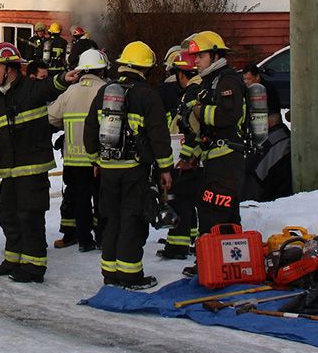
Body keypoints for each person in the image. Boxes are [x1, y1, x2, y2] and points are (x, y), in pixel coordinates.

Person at [0, 42, 79, 283]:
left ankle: (34, 267)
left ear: (9, 68)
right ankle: (13, 259)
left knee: (30, 217)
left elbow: (48, 87)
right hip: (9, 169)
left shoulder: (29, 88)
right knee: (8, 216)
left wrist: (63, 79)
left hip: (32, 168)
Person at [84, 41, 173, 290]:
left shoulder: (104, 93)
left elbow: (90, 129)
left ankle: (110, 274)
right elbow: (159, 136)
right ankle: (131, 275)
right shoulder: (148, 95)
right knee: (132, 220)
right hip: (135, 171)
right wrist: (166, 169)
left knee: (111, 220)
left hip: (108, 171)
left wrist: (96, 161)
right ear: (145, 68)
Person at [182, 30, 247, 279]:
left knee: (215, 208)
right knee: (222, 210)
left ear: (215, 55)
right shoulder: (211, 82)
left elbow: (228, 116)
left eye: (200, 56)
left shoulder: (227, 81)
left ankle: (214, 264)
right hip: (215, 156)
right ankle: (221, 264)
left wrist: (200, 110)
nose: (195, 61)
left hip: (227, 157)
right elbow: (206, 128)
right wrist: (191, 154)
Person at [48, 48, 109, 252]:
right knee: (102, 199)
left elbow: (52, 117)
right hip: (99, 159)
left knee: (80, 200)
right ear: (101, 70)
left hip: (73, 160)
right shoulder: (107, 90)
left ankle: (84, 241)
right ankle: (102, 237)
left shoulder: (69, 92)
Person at [158, 50, 202, 260]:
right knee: (190, 199)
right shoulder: (200, 88)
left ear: (182, 74)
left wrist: (185, 156)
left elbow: (192, 127)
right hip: (199, 156)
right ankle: (191, 239)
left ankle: (177, 246)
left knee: (180, 199)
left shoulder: (192, 92)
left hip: (189, 156)